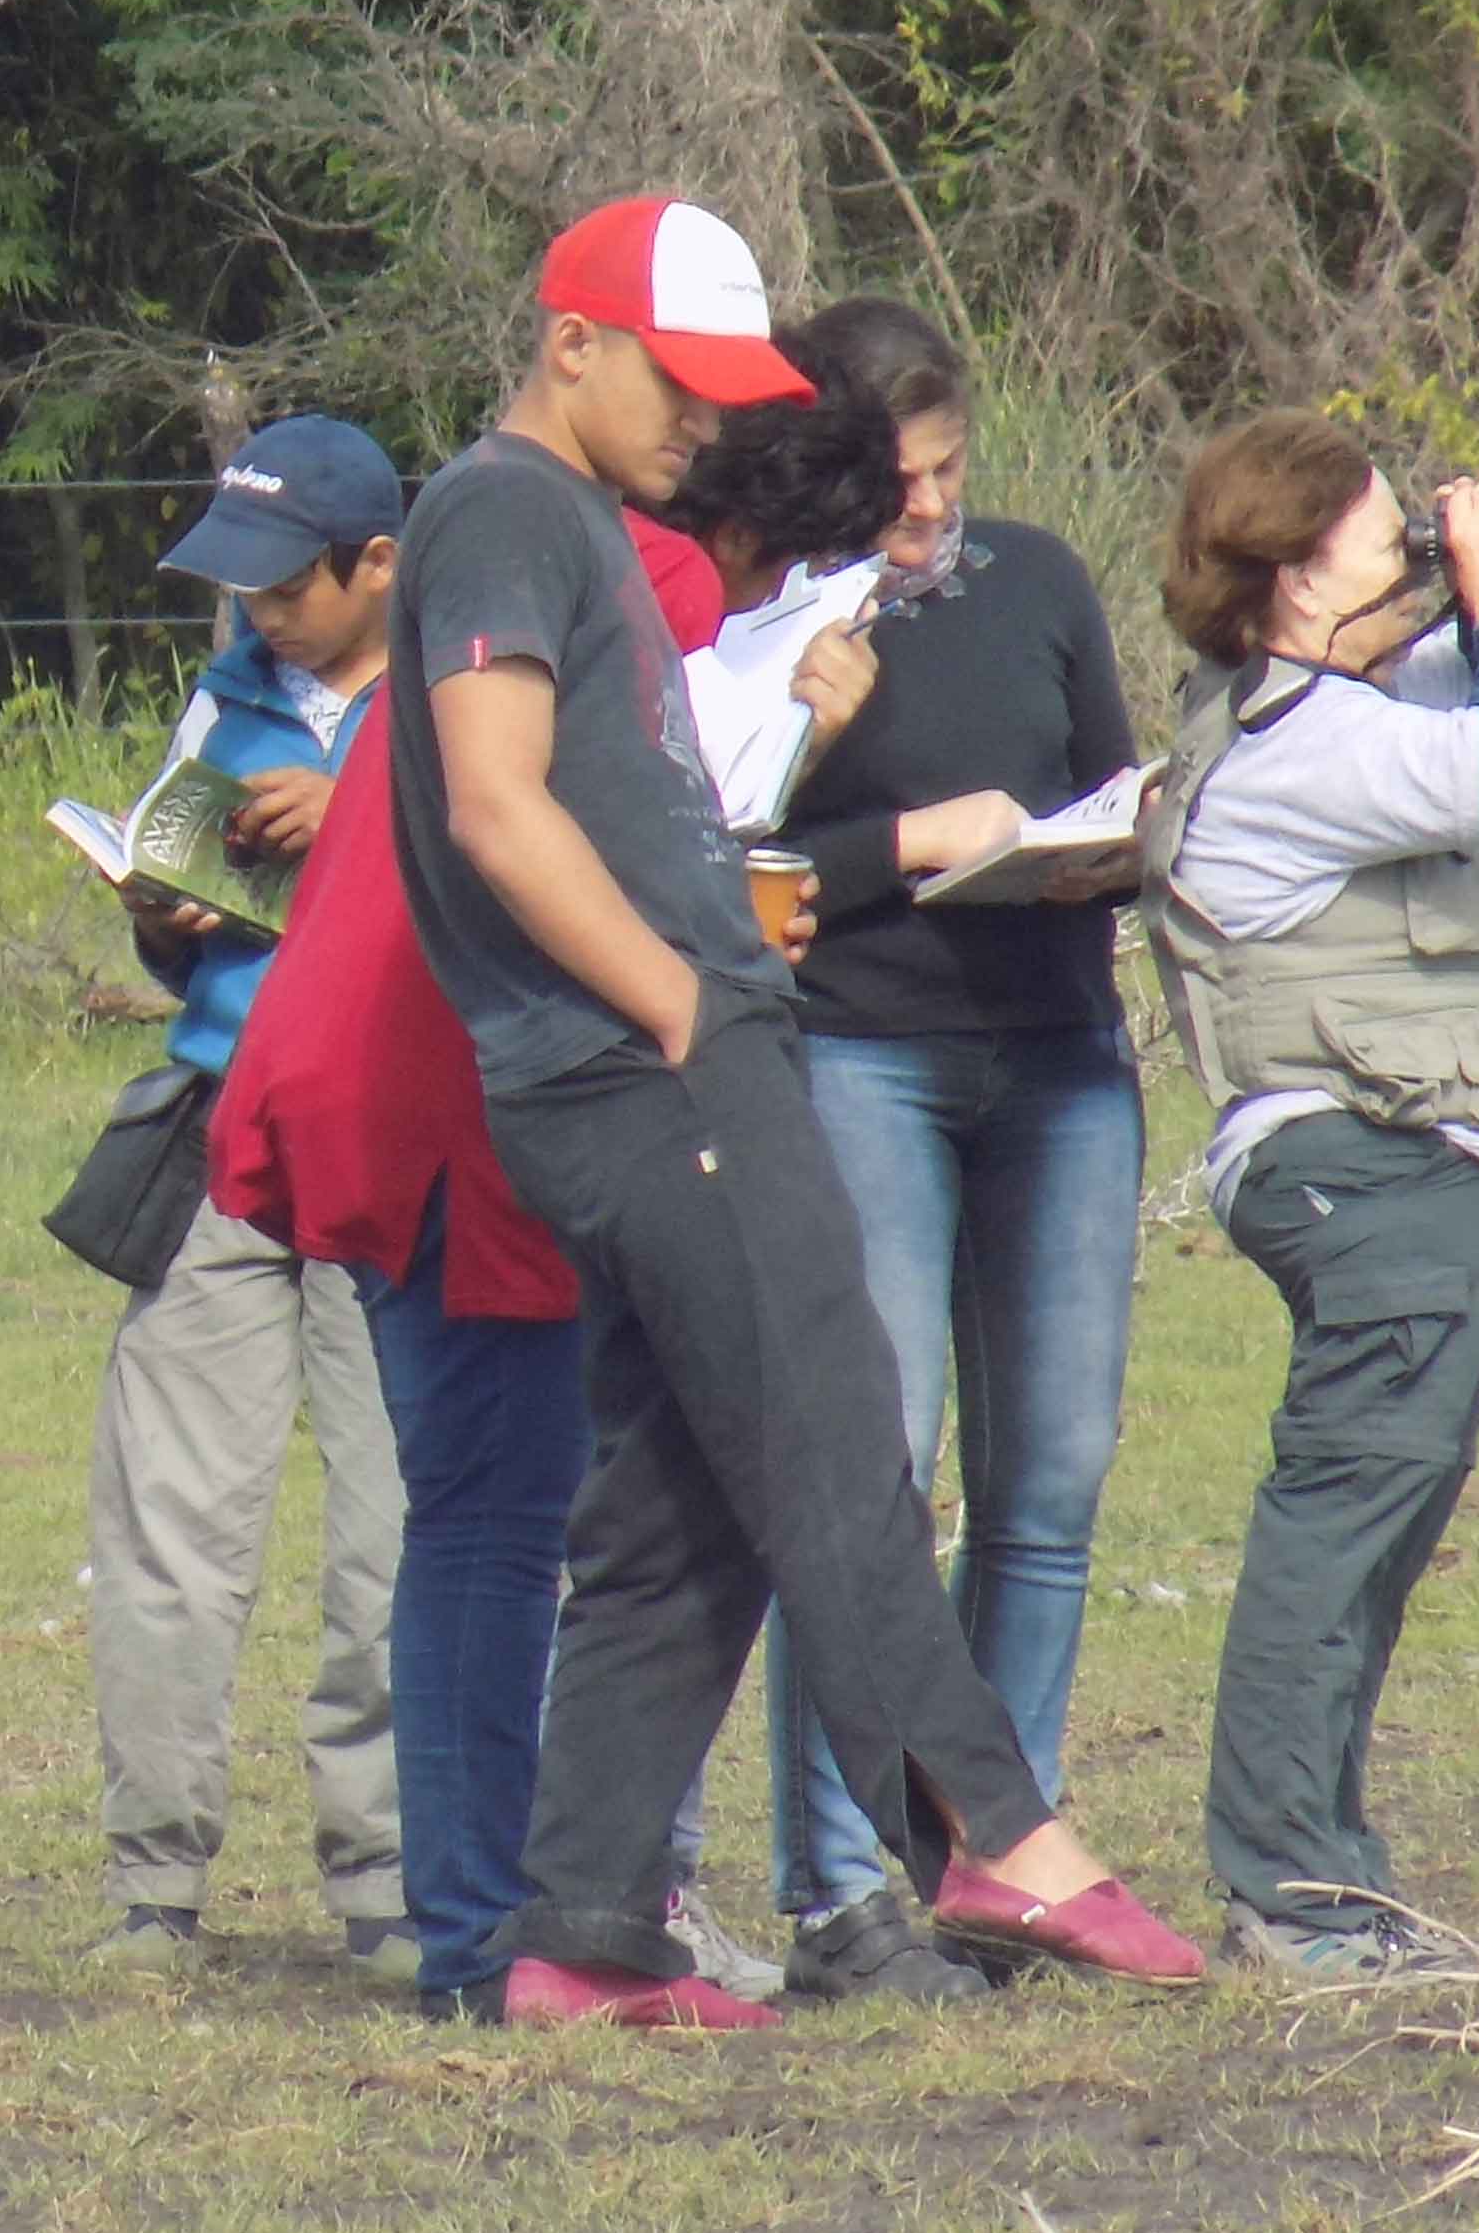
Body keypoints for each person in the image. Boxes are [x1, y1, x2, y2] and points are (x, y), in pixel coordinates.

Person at [386, 194, 1204, 2029]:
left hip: (645, 1057)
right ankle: (991, 1827)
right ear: (570, 343)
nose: (704, 422)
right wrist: (681, 998)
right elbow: (497, 805)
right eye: (678, 382)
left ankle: (583, 1935)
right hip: (654, 1062)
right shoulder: (505, 509)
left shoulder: (576, 521)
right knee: (836, 1432)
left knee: (682, 1509)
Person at [206, 478, 792, 2023]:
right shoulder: (607, 591)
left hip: (385, 1070)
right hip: (437, 1096)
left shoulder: (502, 589)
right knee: (491, 1518)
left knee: (485, 1512)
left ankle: (509, 1914)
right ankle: (483, 1934)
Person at [744, 300, 1157, 2008]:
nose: (929, 508)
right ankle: (846, 1883)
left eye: (951, 469)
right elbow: (740, 860)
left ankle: (1013, 1860)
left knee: (1049, 1480)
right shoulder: (778, 622)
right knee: (876, 1471)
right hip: (865, 1057)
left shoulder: (1041, 580)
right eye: (897, 480)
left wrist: (1107, 846)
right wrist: (906, 834)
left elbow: (1116, 789)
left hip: (1061, 1057)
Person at [1142, 413, 1479, 1980]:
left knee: (1371, 1527)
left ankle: (1323, 1878)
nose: (1413, 554)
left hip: (1402, 1163)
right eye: (1388, 537)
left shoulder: (1337, 704)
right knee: (1339, 1530)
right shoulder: (1306, 744)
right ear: (1298, 573)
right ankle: (1294, 1894)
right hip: (1371, 1164)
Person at [80, 415, 412, 1980]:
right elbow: (184, 935)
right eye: (244, 587)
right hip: (222, 1139)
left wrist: (356, 821)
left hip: (394, 1144)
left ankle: (394, 1877)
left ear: (379, 566)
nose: (261, 612)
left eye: (288, 586)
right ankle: (155, 1881)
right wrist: (166, 909)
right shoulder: (225, 698)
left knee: (395, 1527)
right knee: (167, 1522)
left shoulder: (463, 701)